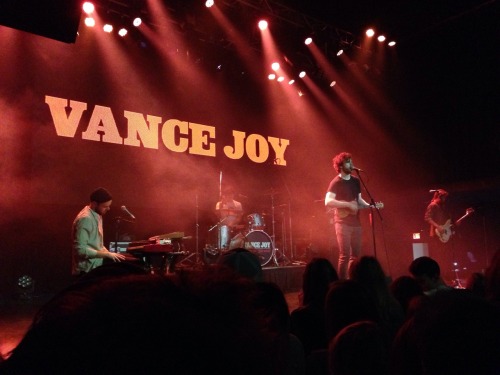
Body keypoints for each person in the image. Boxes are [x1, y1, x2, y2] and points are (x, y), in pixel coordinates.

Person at [325, 152, 371, 279]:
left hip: (356, 223)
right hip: (342, 222)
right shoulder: (336, 182)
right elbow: (328, 201)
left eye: (351, 161)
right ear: (340, 166)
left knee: (355, 255)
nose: (352, 164)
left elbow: (359, 200)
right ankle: (341, 283)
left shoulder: (356, 181)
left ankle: (351, 280)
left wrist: (370, 205)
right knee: (344, 255)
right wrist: (347, 205)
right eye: (348, 162)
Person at [72, 187, 125, 276]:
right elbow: (80, 250)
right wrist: (106, 255)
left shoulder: (97, 214)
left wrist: (109, 253)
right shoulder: (85, 219)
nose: (108, 209)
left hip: (94, 268)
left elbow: (97, 244)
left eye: (109, 206)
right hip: (85, 271)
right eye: (105, 206)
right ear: (94, 204)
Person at [215, 185, 243, 251]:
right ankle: (222, 250)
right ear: (224, 195)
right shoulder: (219, 204)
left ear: (233, 194)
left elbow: (240, 217)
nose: (230, 196)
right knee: (224, 242)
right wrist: (223, 203)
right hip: (223, 226)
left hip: (234, 226)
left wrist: (233, 224)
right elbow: (217, 215)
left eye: (231, 194)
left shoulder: (238, 204)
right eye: (227, 194)